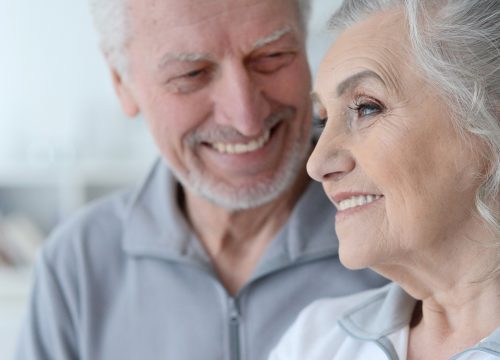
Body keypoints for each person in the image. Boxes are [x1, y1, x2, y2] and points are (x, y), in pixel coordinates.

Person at [15, 0, 389, 359]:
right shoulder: (76, 266)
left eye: (272, 56)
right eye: (191, 74)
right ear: (122, 84)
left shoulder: (396, 236)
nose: (245, 118)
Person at [269, 0, 500, 359]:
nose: (317, 164)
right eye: (322, 120)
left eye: (366, 107)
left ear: (490, 123)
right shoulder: (315, 340)